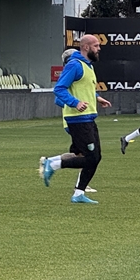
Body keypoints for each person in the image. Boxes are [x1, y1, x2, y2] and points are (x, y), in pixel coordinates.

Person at [40, 35, 112, 204]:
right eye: (96, 45)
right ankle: (53, 164)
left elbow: (83, 88)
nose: (99, 48)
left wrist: (97, 97)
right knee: (90, 157)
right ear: (86, 47)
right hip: (77, 119)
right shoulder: (75, 65)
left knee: (96, 157)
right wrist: (75, 102)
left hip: (88, 118)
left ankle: (79, 193)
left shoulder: (88, 66)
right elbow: (59, 89)